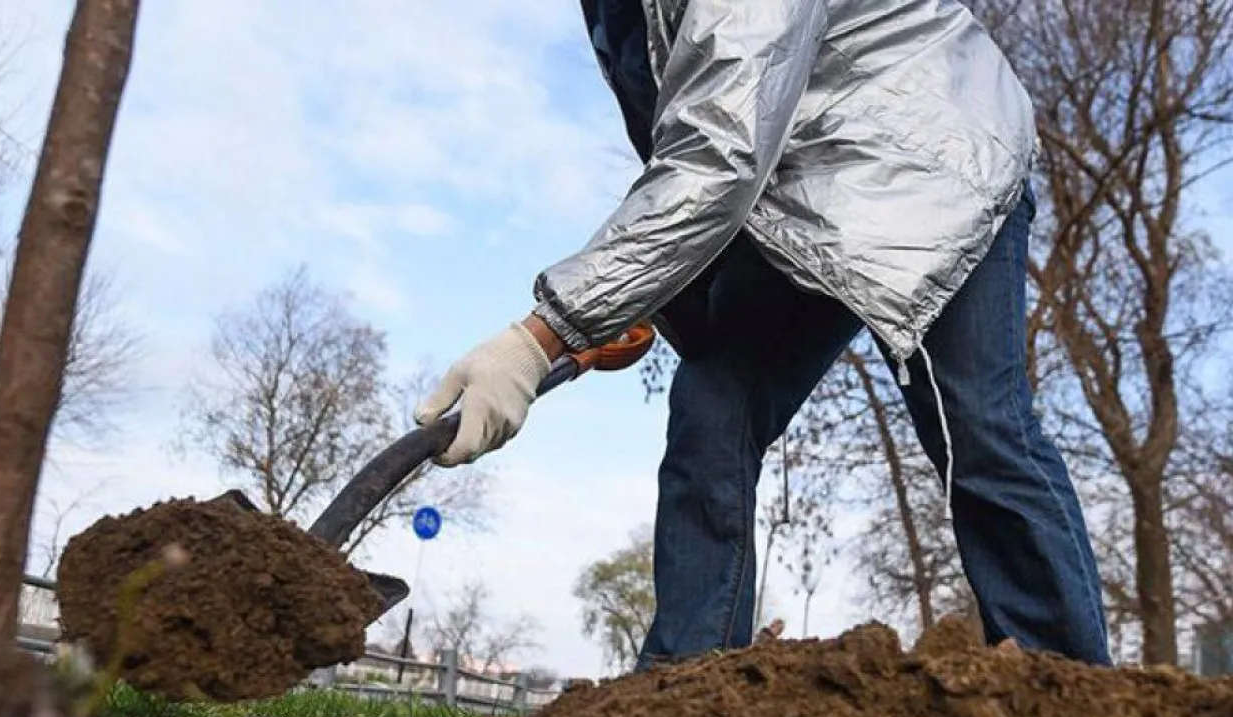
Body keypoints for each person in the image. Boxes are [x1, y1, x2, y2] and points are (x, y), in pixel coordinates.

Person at [414, 0, 1111, 668]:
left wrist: (545, 332)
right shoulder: (611, 11)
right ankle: (682, 682)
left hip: (934, 150)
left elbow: (719, 151)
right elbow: (683, 152)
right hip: (801, 188)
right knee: (713, 407)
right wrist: (629, 309)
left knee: (976, 423)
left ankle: (1067, 690)